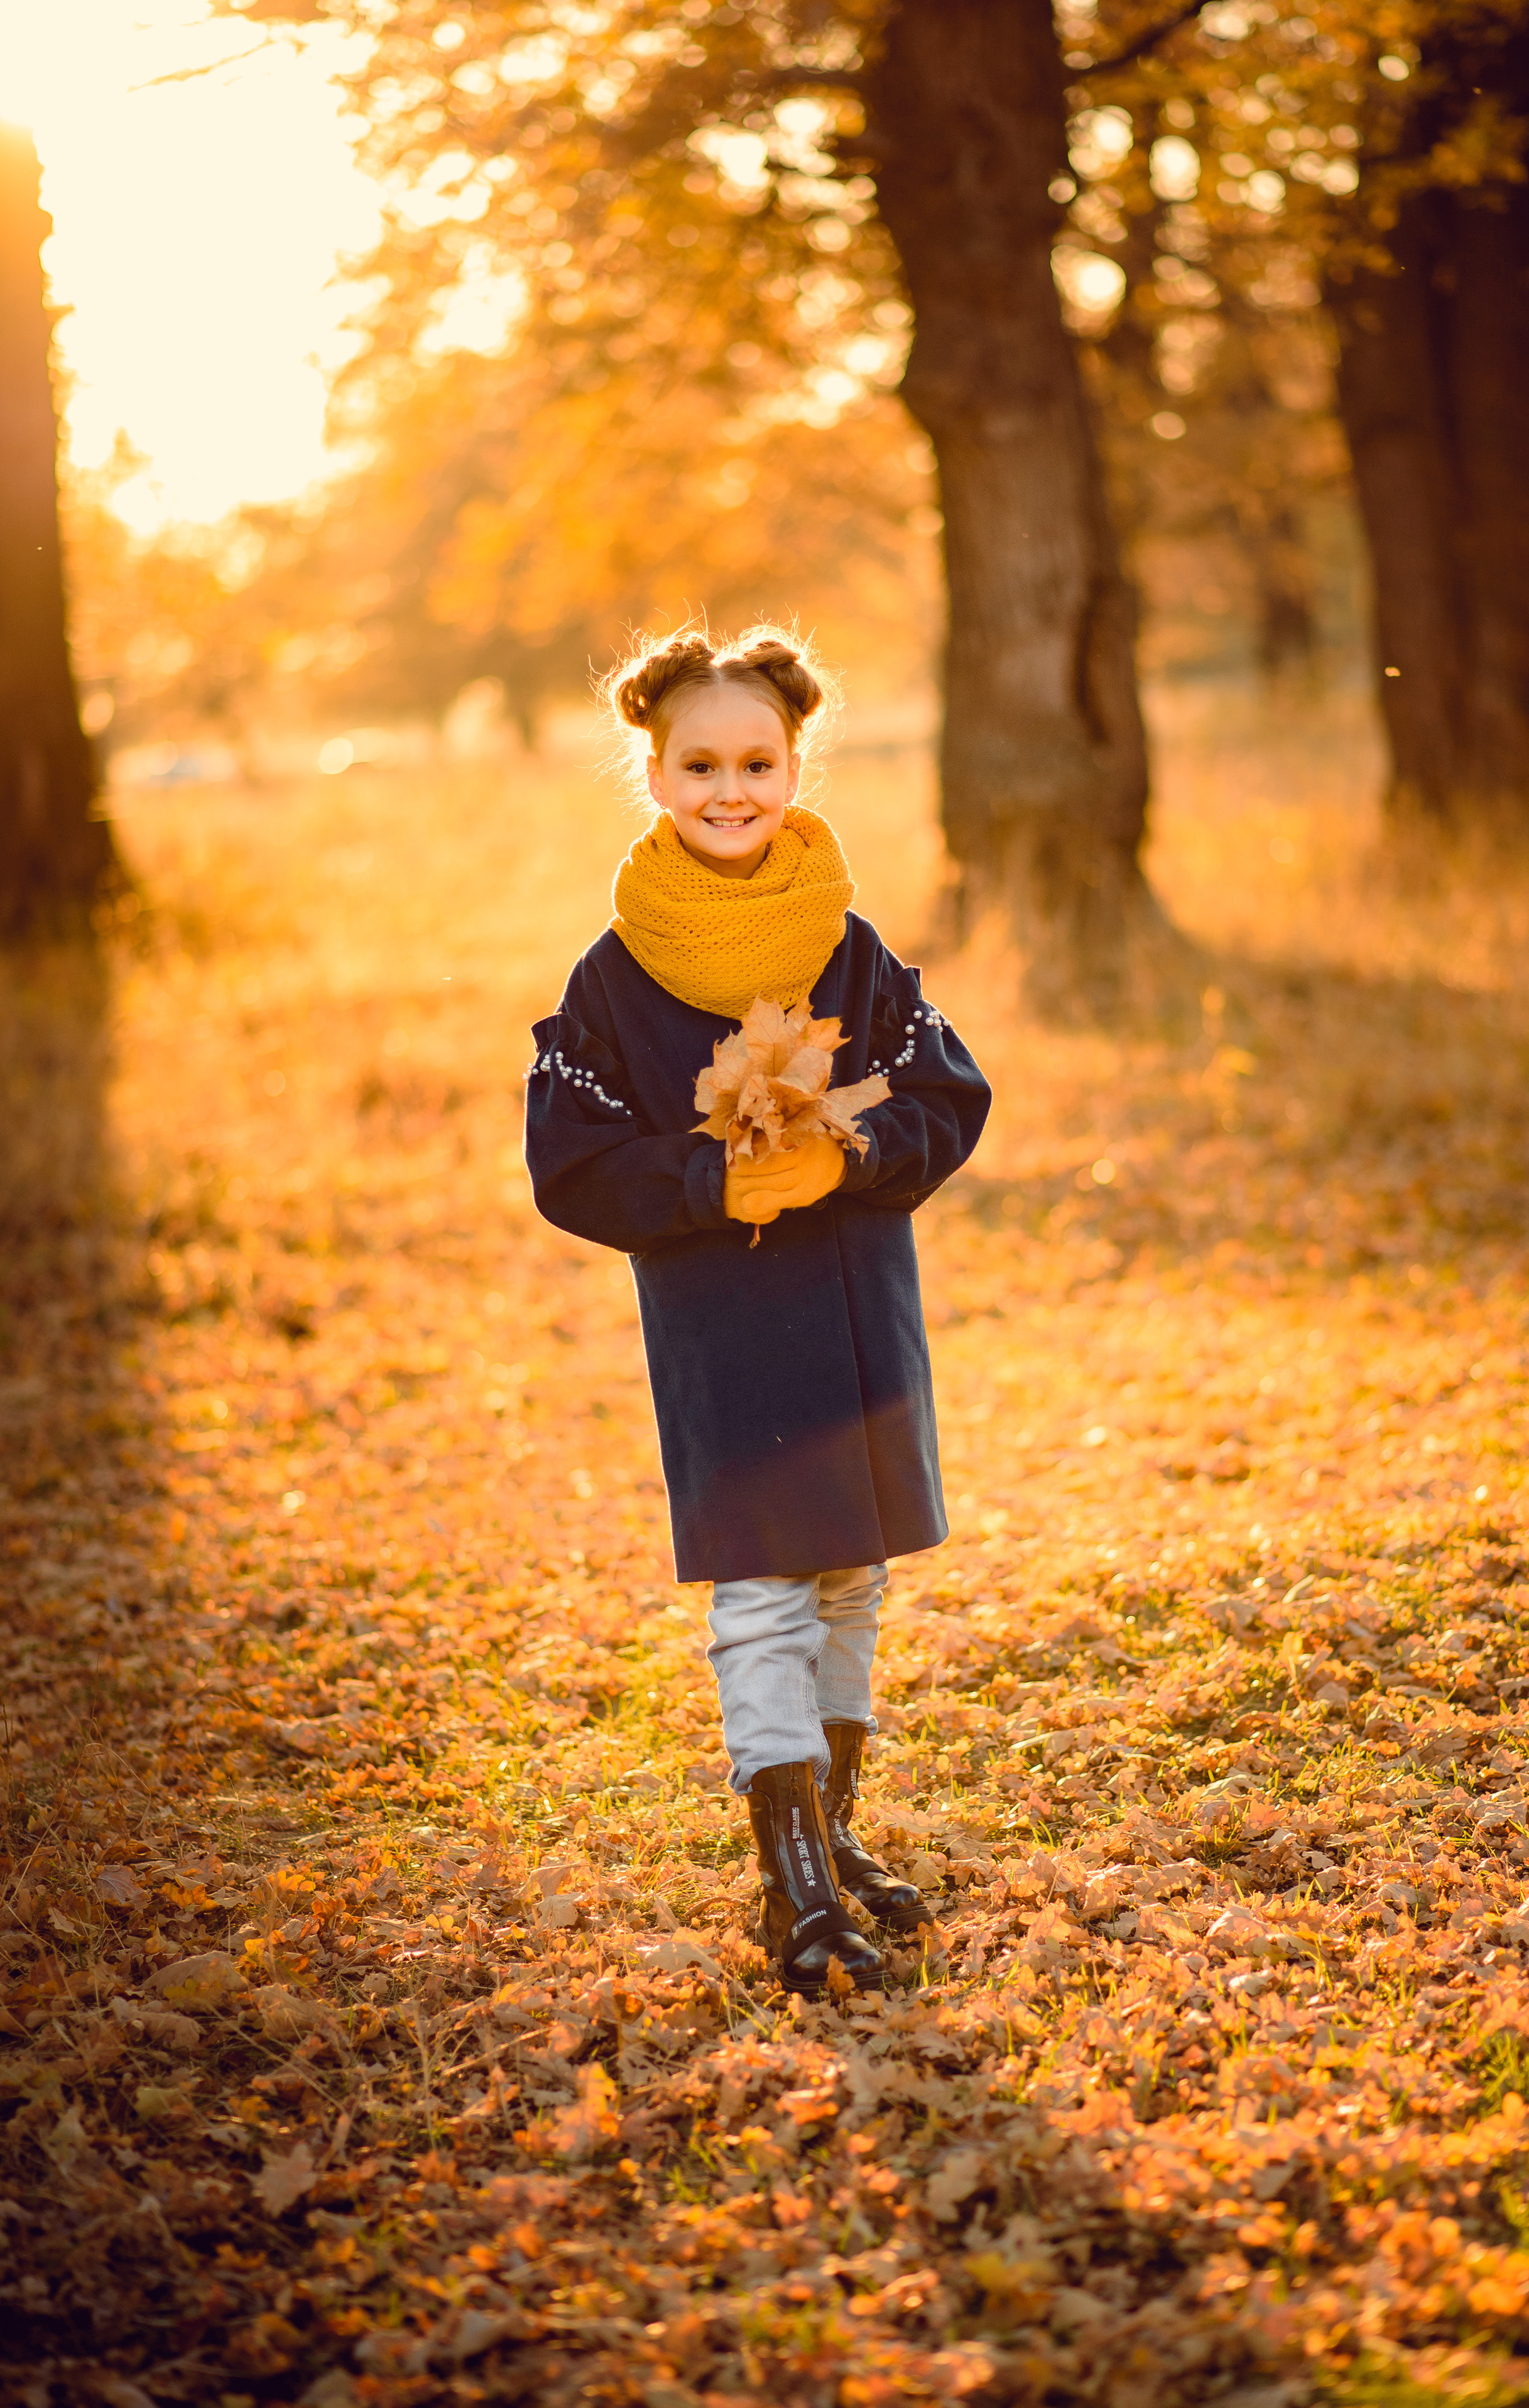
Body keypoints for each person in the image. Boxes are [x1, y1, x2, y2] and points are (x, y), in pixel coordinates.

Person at [523, 625, 991, 1995]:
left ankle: (835, 1847)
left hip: (856, 1317)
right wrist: (710, 1178)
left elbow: (945, 1095)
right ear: (654, 773)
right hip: (727, 1331)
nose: (730, 788)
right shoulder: (613, 978)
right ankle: (787, 1887)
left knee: (852, 1576)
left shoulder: (850, 950)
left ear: (794, 765)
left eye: (757, 762)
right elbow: (572, 1163)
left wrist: (850, 1150)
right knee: (762, 1593)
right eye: (699, 764)